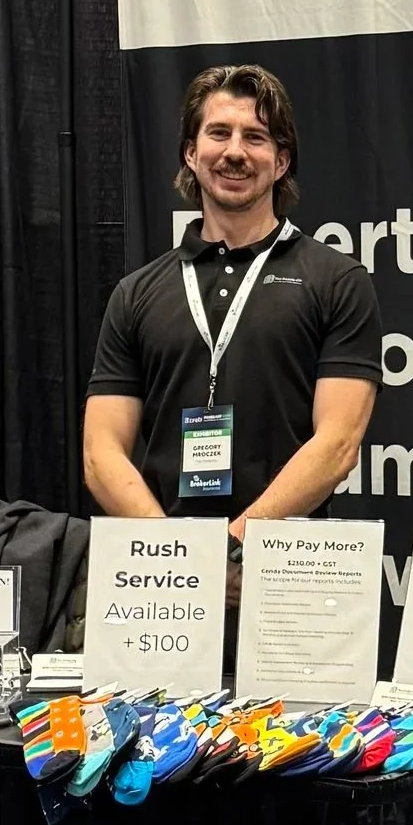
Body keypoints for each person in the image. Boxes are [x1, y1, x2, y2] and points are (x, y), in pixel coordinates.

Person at [83, 65, 379, 556]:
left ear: (281, 162)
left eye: (256, 137)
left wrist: (233, 547)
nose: (235, 152)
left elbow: (337, 446)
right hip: (167, 573)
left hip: (287, 566)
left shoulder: (337, 281)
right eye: (219, 133)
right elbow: (101, 453)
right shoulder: (135, 293)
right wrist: (179, 555)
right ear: (191, 153)